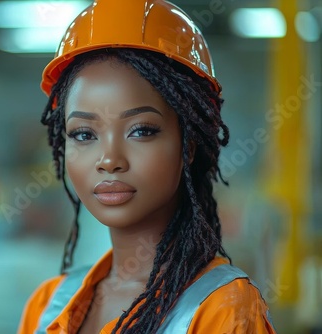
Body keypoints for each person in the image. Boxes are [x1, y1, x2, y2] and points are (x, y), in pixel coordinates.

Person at [18, 0, 277, 333]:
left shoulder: (223, 308)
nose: (109, 159)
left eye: (141, 130)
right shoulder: (46, 307)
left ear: (189, 144)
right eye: (84, 133)